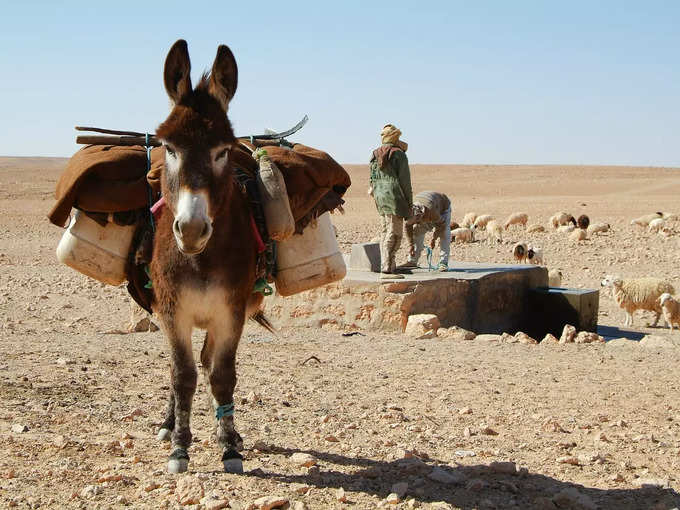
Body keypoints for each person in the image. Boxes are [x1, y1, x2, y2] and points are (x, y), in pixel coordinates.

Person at [369, 124, 413, 279]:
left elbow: (371, 179)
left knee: (384, 230)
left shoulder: (375, 154)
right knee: (395, 233)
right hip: (395, 197)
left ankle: (388, 264)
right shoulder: (398, 154)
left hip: (380, 197)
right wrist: (409, 204)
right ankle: (387, 266)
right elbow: (405, 182)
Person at [401, 191, 452, 272]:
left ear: (419, 216)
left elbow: (441, 224)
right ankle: (412, 261)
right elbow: (408, 226)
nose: (416, 223)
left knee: (445, 234)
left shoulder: (432, 211)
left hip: (443, 208)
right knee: (416, 232)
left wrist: (434, 239)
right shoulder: (409, 213)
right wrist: (411, 245)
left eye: (417, 222)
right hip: (427, 209)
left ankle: (443, 263)